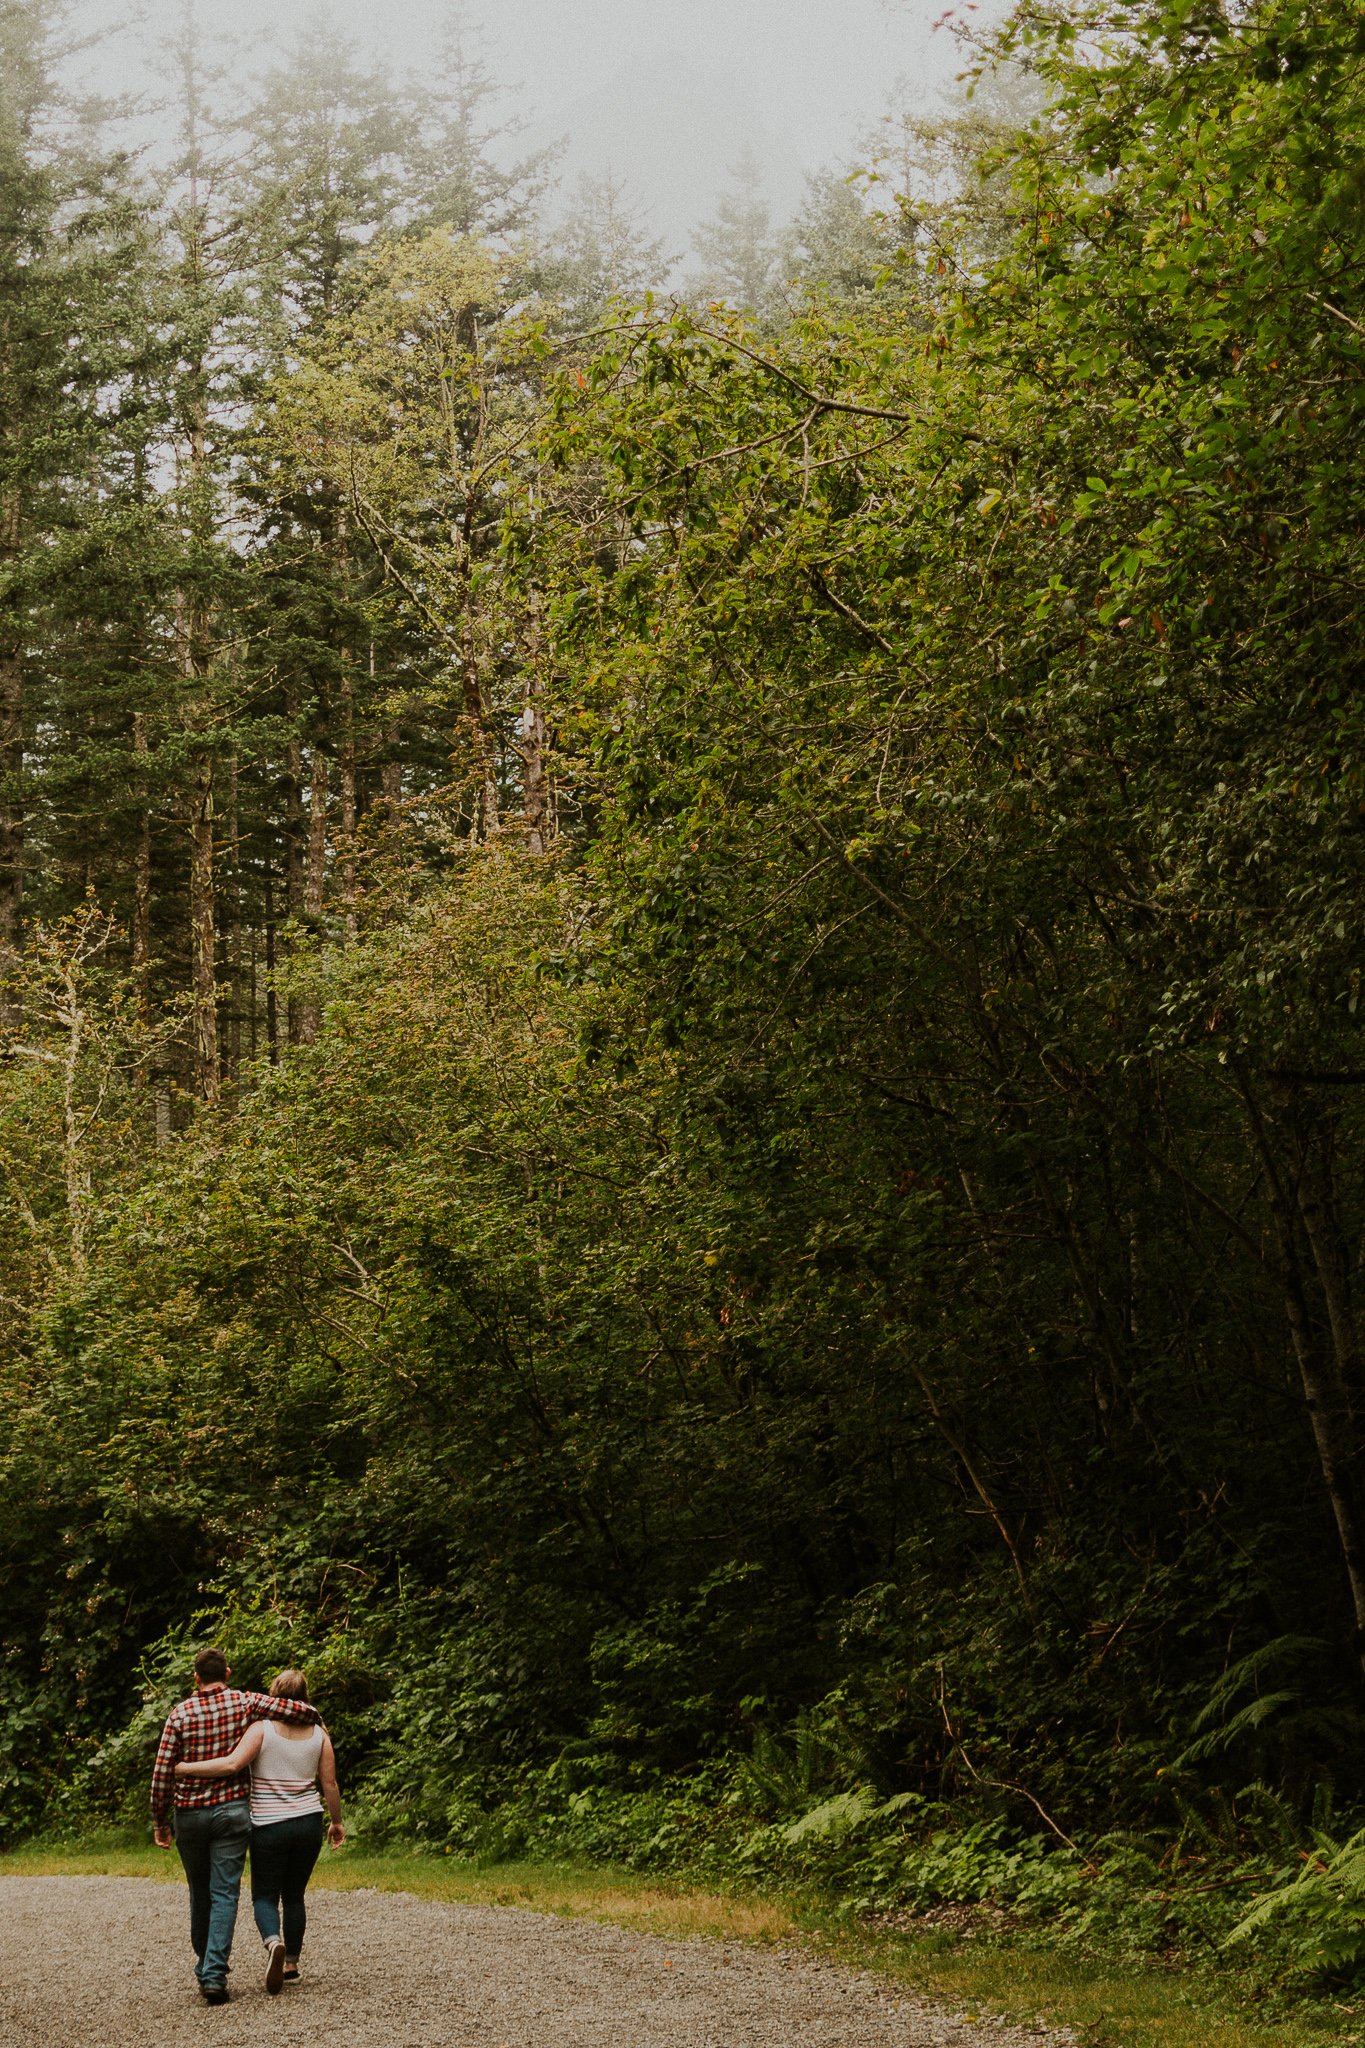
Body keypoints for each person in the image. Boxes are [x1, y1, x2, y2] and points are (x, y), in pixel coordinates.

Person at [150, 1646, 321, 2005]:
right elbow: (295, 1709)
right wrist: (312, 1712)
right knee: (225, 1892)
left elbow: (162, 1770)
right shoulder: (244, 1702)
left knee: (199, 1891)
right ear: (227, 1674)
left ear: (195, 1677)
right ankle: (213, 1974)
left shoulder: (179, 1715)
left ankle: (207, 1967)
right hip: (231, 1812)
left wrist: (160, 1820)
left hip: (191, 1814)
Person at [175, 1667, 344, 1995]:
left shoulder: (261, 1729)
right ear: (304, 1697)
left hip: (269, 1825)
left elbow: (230, 1765)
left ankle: (273, 1943)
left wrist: (185, 1768)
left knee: (264, 1895)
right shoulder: (319, 1733)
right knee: (295, 1895)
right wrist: (336, 1822)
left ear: (274, 1696)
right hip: (308, 1822)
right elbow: (329, 1783)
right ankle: (292, 1961)